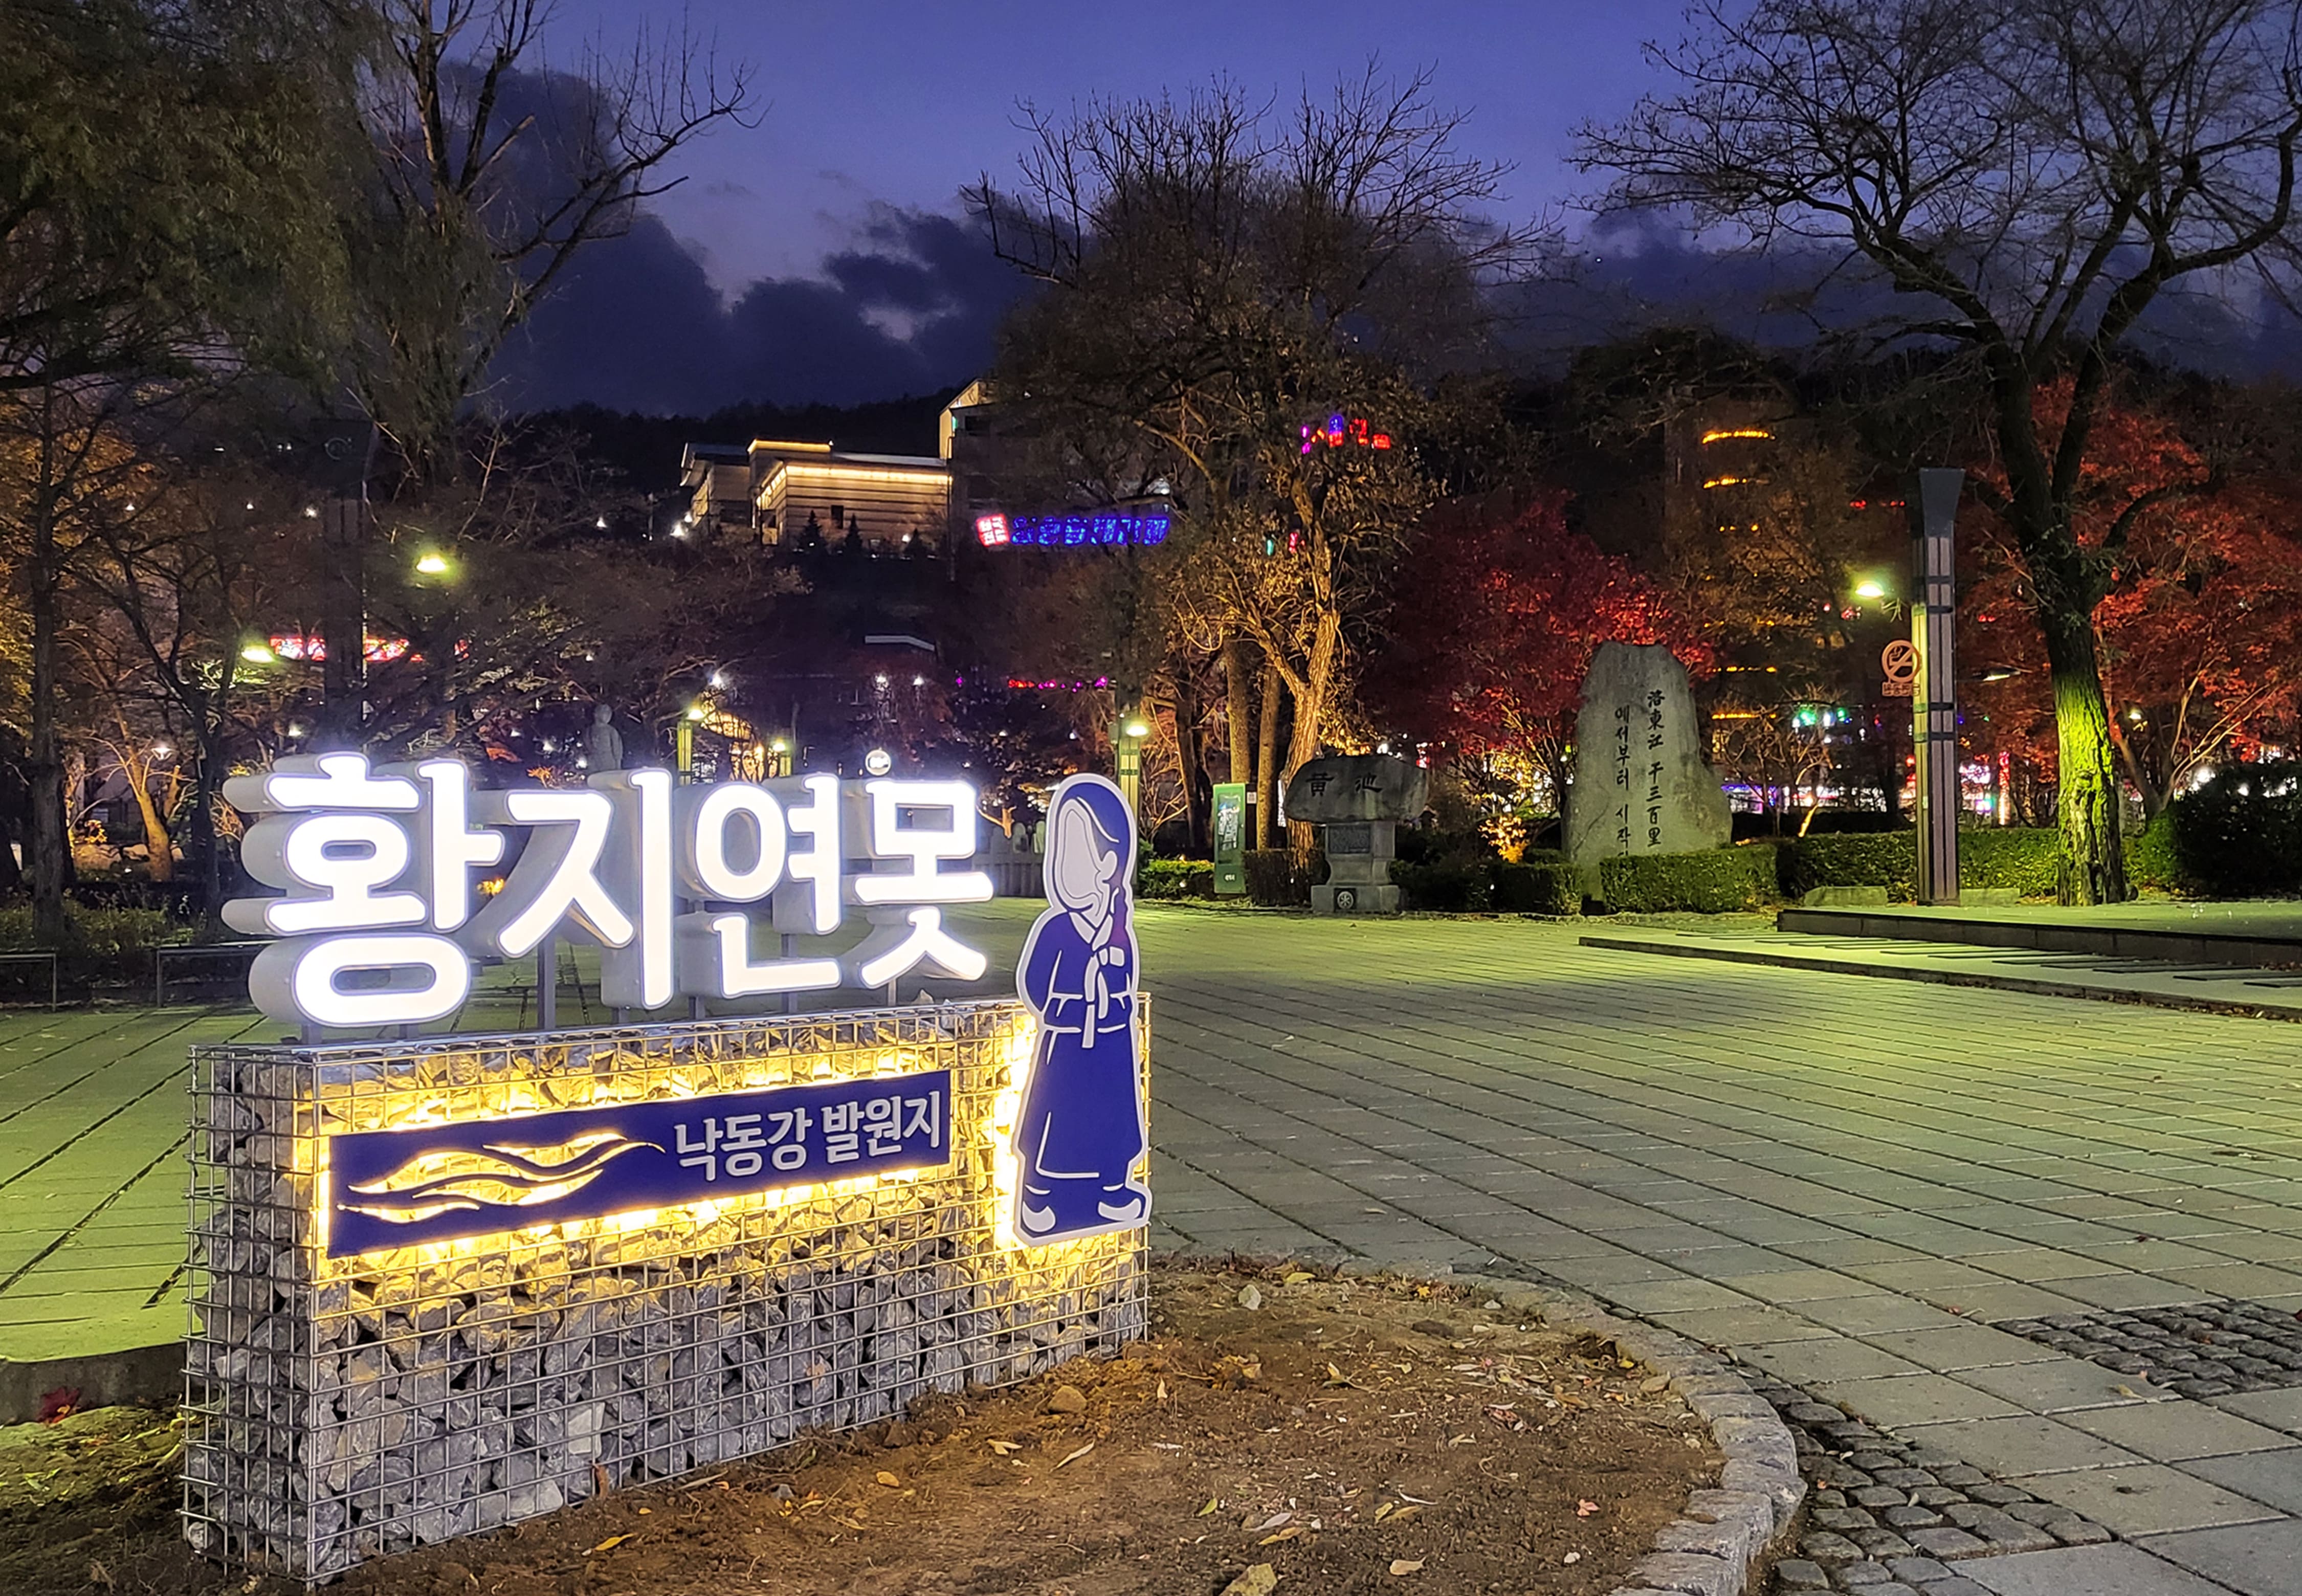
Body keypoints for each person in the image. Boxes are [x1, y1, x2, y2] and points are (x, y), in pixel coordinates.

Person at [1011, 774, 1150, 1242]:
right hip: (1067, 1043)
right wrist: (1066, 1008)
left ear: (1109, 863)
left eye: (1076, 856)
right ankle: (1039, 1192)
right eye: (1062, 855)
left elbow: (1126, 980)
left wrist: (1111, 987)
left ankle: (1111, 1187)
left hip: (1110, 1041)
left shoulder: (1117, 929)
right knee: (1055, 1113)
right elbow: (1036, 983)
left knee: (1111, 1114)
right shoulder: (1057, 929)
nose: (1065, 868)